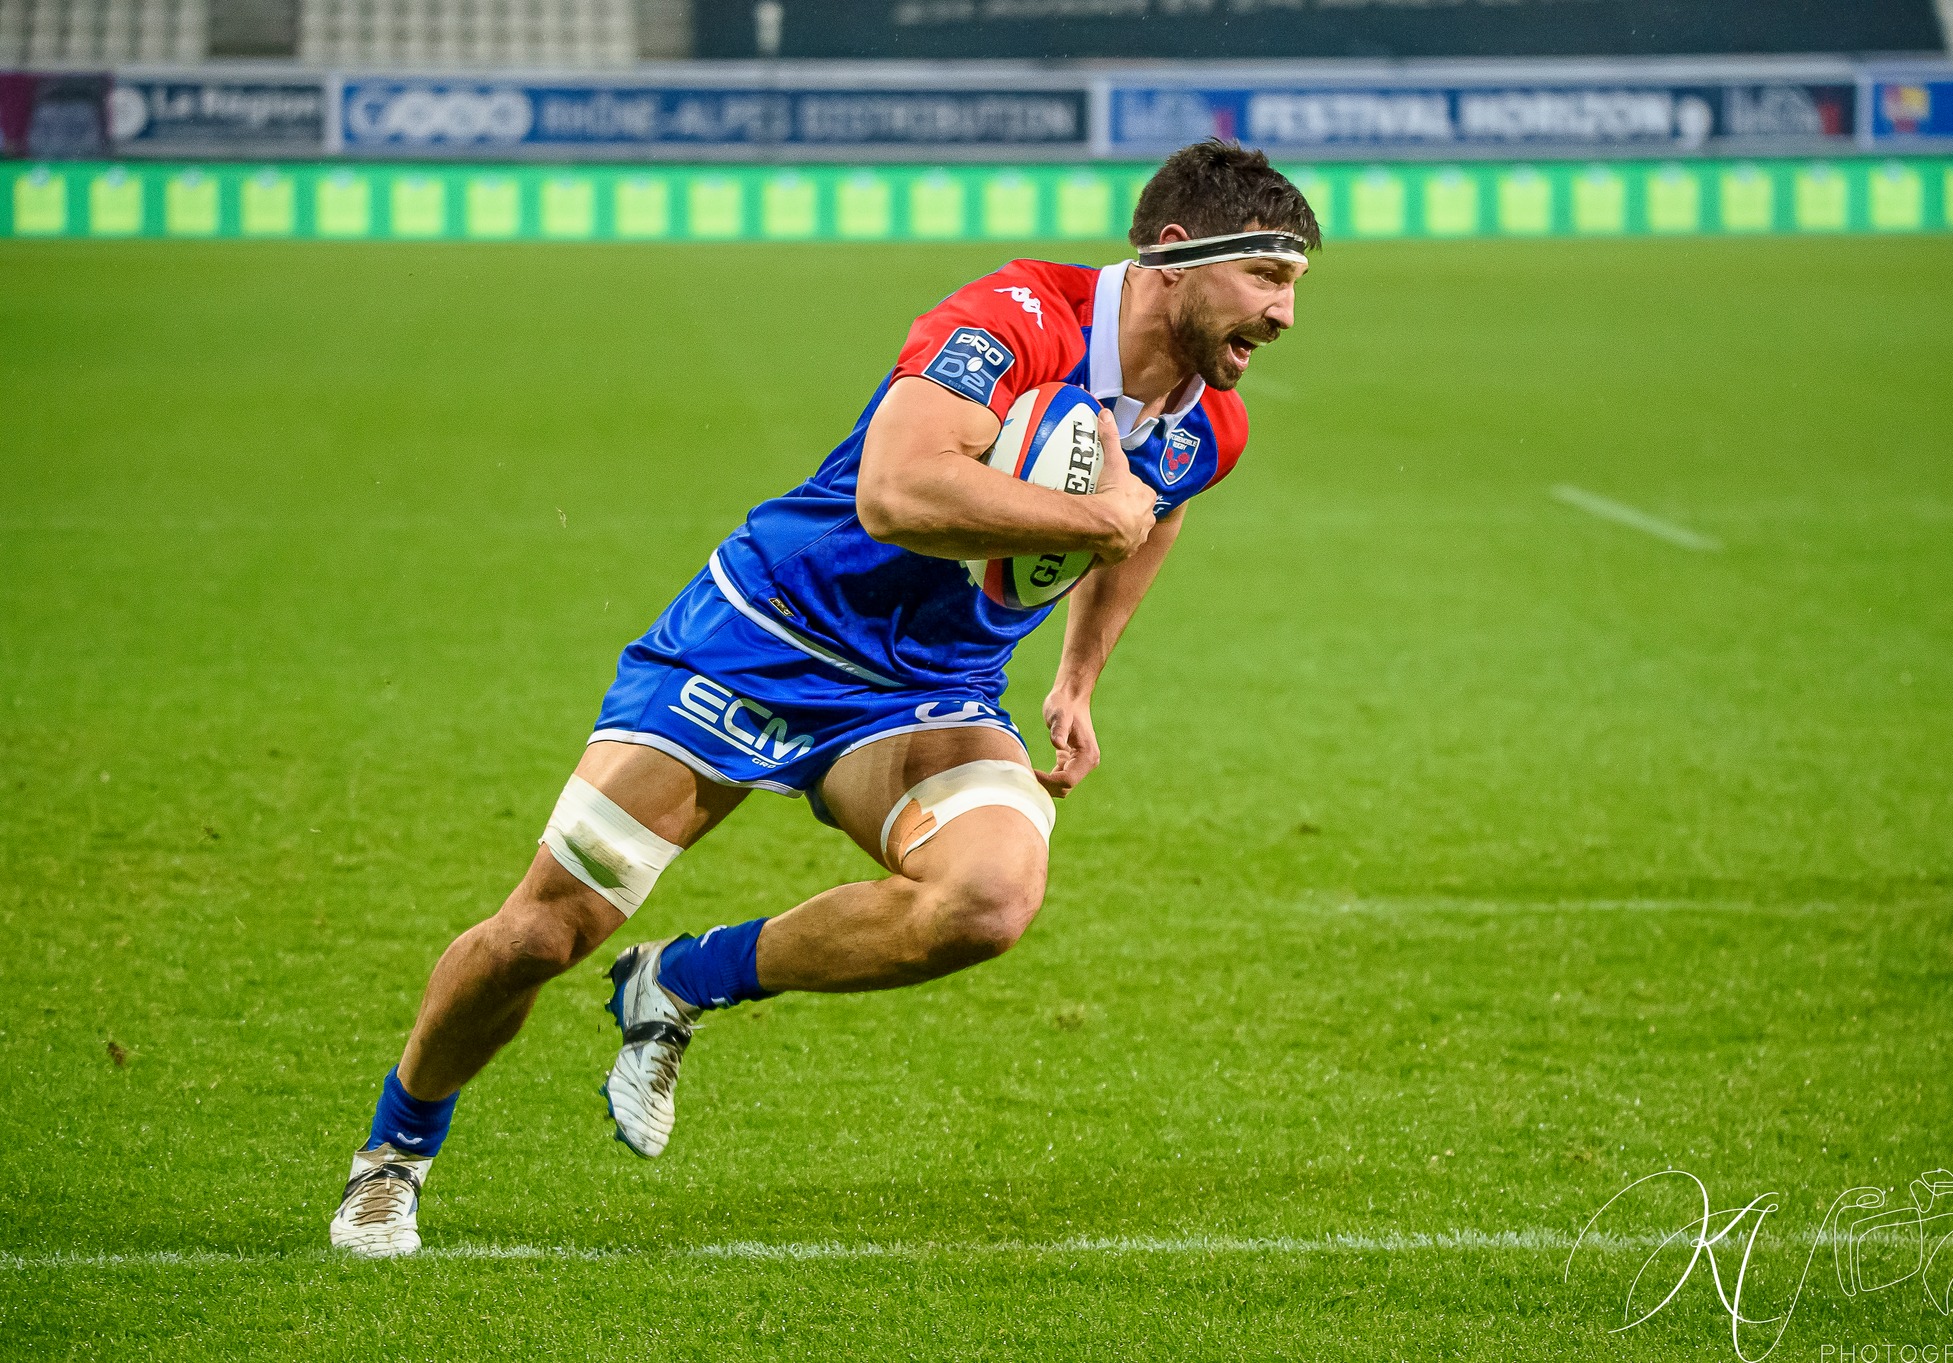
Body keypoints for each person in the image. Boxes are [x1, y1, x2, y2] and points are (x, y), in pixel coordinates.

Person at [330, 139, 1318, 1256]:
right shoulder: (1007, 320)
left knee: (988, 899)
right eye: (1267, 280)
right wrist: (1099, 520)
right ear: (1176, 256)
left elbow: (1161, 508)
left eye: (1293, 287)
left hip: (923, 690)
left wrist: (1078, 675)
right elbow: (897, 493)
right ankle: (393, 1156)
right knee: (538, 936)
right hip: (758, 640)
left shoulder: (1209, 419)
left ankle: (680, 980)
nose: (1285, 315)